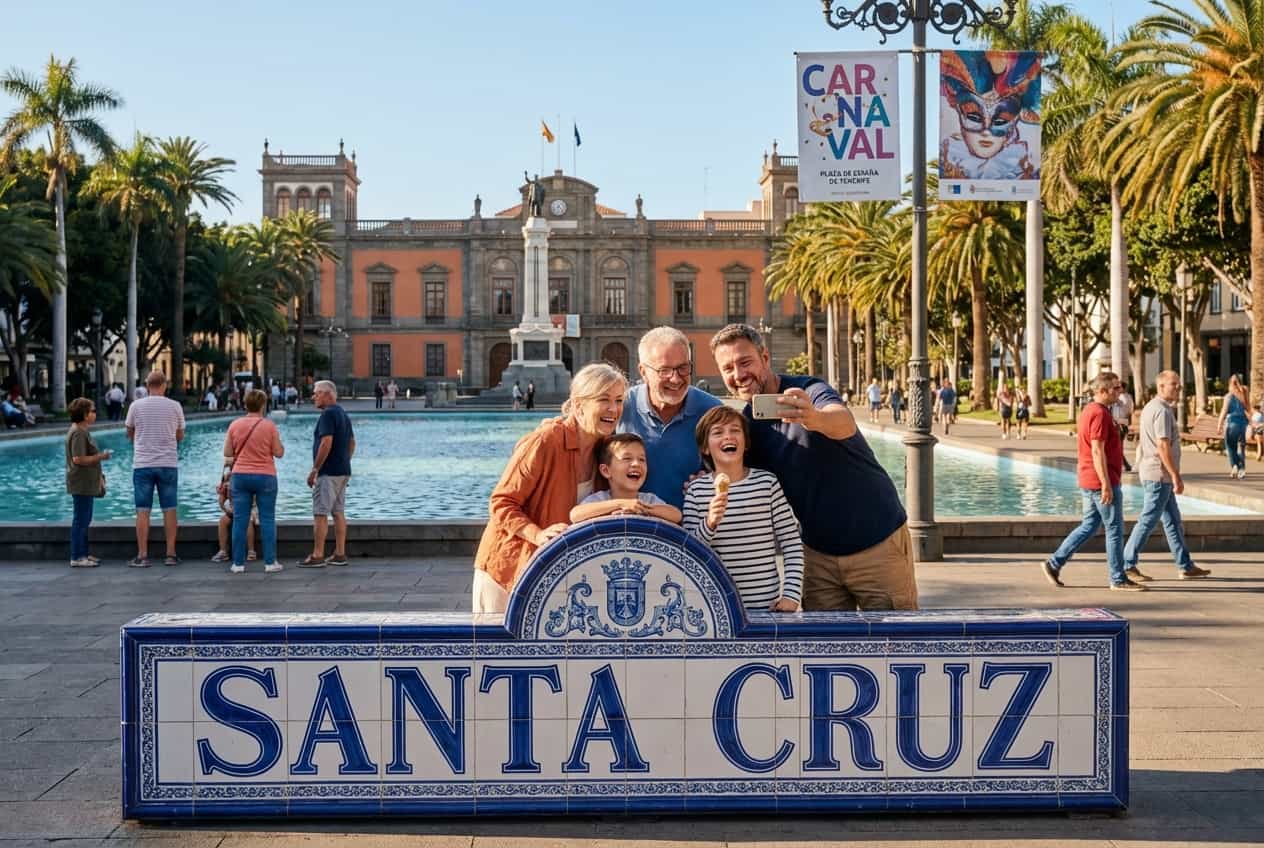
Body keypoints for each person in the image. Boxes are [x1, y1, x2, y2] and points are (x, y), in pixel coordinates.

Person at [711, 324, 917, 611]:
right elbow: (741, 478)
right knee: (826, 649)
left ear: (765, 358)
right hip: (817, 557)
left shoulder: (809, 389)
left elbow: (843, 422)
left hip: (878, 544)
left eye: (745, 362)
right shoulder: (746, 427)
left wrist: (813, 418)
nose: (738, 374)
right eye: (728, 368)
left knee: (897, 644)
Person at [473, 362, 627, 613]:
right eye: (604, 399)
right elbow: (501, 502)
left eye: (619, 400)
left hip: (553, 576)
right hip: (508, 571)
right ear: (578, 404)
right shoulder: (545, 441)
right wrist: (537, 534)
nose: (614, 409)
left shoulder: (607, 451)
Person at [683, 405, 803, 612]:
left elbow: (791, 543)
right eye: (718, 432)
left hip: (767, 606)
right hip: (718, 607)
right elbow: (690, 553)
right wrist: (710, 522)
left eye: (735, 430)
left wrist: (791, 595)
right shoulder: (696, 490)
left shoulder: (767, 483)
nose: (728, 436)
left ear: (746, 442)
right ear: (705, 447)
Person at [1040, 372, 1146, 591]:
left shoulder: (1092, 411)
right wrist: (1106, 483)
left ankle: (1054, 563)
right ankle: (1118, 578)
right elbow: (1097, 451)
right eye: (1115, 388)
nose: (1120, 391)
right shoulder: (1098, 413)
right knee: (1114, 529)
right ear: (1102, 391)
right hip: (1100, 482)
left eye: (1119, 387)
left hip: (1089, 479)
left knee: (1089, 525)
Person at [617, 326, 722, 510]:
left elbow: (733, 469)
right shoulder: (620, 407)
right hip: (632, 528)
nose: (675, 379)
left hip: (692, 531)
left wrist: (711, 480)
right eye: (664, 370)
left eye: (683, 368)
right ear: (643, 372)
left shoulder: (713, 411)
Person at [1123, 370, 1212, 582]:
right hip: (1158, 475)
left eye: (1179, 384)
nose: (1178, 388)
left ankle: (1185, 565)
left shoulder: (1152, 407)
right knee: (1148, 520)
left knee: (1173, 521)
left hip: (1156, 474)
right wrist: (1175, 476)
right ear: (1161, 386)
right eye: (1174, 384)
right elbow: (1163, 446)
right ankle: (1127, 564)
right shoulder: (1161, 411)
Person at [126, 371, 185, 567]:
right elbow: (180, 435)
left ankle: (142, 555)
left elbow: (130, 433)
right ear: (165, 385)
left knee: (143, 510)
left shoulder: (136, 406)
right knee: (170, 509)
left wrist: (143, 441)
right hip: (168, 464)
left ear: (147, 385)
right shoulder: (175, 406)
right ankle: (171, 554)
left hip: (143, 464)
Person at [221, 389, 284, 574]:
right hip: (265, 476)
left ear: (245, 404)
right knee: (267, 519)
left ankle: (238, 564)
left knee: (240, 520)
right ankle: (270, 562)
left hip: (240, 476)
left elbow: (228, 453)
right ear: (263, 405)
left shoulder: (235, 425)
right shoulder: (269, 426)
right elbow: (278, 452)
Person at [300, 380, 356, 567]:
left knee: (320, 513)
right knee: (338, 512)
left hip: (328, 472)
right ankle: (340, 553)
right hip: (342, 471)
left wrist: (315, 469)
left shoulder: (327, 414)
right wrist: (344, 462)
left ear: (327, 394)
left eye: (316, 393)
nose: (313, 396)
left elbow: (326, 442)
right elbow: (352, 443)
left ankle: (317, 555)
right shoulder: (342, 413)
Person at [569, 433, 682, 524]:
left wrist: (641, 509)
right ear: (606, 471)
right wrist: (622, 504)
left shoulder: (648, 500)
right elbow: (575, 514)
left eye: (642, 459)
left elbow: (676, 515)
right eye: (627, 458)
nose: (636, 464)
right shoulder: (600, 499)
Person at [65, 397, 111, 567]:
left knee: (85, 519)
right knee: (81, 520)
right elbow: (78, 459)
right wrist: (101, 456)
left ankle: (83, 553)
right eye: (92, 411)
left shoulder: (81, 430)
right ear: (84, 414)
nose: (94, 414)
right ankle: (77, 557)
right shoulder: (78, 432)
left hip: (85, 482)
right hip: (81, 483)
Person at [211, 480, 257, 564]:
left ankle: (251, 551)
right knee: (223, 521)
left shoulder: (248, 479)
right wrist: (223, 493)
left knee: (247, 521)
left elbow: (252, 500)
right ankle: (223, 551)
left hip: (249, 509)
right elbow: (222, 502)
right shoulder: (228, 481)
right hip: (234, 510)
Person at [1217, 374, 1250, 479]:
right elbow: (1247, 407)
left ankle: (1235, 465)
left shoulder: (1229, 396)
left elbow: (1224, 411)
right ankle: (1241, 470)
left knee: (1231, 447)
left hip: (1232, 424)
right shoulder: (1244, 392)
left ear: (1230, 384)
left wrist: (1219, 425)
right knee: (1241, 448)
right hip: (1244, 424)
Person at [1112, 384, 1135, 471]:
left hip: (1119, 424)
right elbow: (1130, 411)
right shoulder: (1129, 397)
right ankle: (1125, 465)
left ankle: (1125, 465)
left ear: (1123, 388)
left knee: (1117, 447)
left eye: (1119, 387)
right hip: (1124, 423)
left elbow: (1120, 411)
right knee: (1118, 446)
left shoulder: (1122, 397)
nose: (1117, 389)